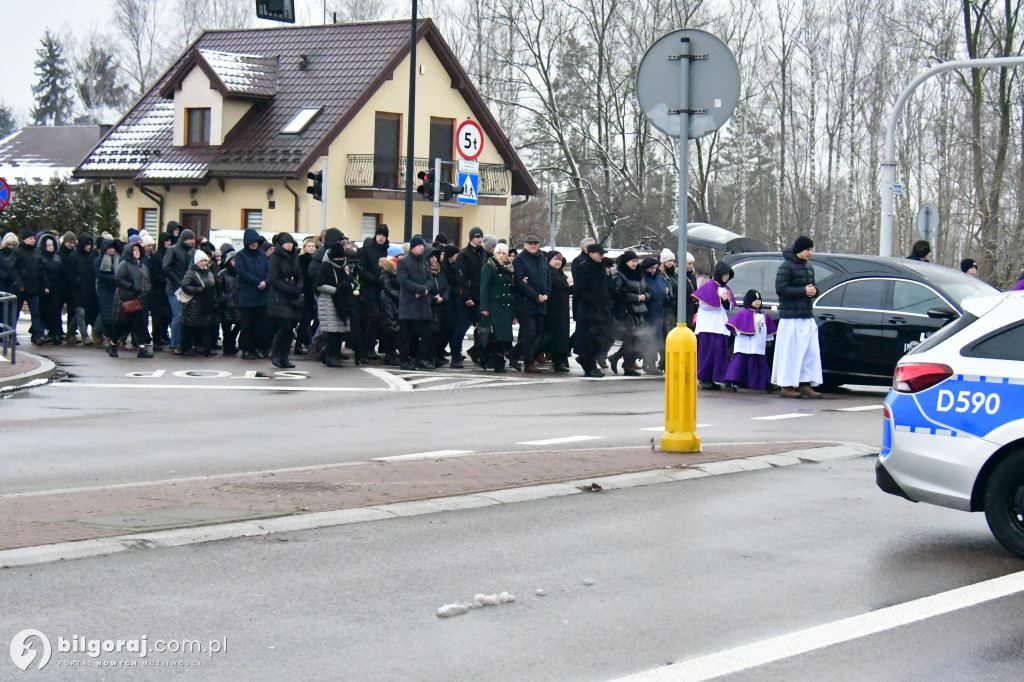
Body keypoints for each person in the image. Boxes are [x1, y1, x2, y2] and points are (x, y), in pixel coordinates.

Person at [772, 235, 823, 398]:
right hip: (791, 317)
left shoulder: (809, 268)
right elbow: (781, 289)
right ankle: (786, 385)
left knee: (810, 352)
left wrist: (814, 291)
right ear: (799, 250)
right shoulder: (785, 267)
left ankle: (804, 383)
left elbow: (812, 287)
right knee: (790, 352)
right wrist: (803, 291)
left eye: (811, 249)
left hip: (806, 315)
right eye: (808, 249)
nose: (810, 253)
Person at [508, 234, 551, 373]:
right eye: (530, 243)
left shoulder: (542, 258)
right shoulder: (520, 259)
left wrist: (546, 294)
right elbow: (519, 282)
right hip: (525, 303)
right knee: (529, 332)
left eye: (536, 243)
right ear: (525, 244)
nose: (533, 245)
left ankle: (513, 354)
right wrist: (535, 296)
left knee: (537, 333)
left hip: (540, 302)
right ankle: (529, 363)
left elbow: (548, 278)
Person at [692, 261, 736, 389]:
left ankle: (716, 377)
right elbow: (704, 304)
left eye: (729, 274)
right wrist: (721, 299)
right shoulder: (708, 287)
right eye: (725, 274)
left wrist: (726, 301)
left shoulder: (726, 289)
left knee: (719, 353)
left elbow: (729, 306)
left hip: (720, 325)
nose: (727, 277)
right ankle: (704, 377)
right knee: (708, 353)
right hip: (708, 326)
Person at [724, 290, 777, 392]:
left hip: (758, 345)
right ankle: (730, 381)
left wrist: (768, 339)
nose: (758, 302)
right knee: (739, 363)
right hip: (745, 345)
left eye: (759, 300)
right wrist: (743, 331)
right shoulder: (743, 314)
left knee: (761, 364)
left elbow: (768, 329)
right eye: (755, 300)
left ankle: (767, 384)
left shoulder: (763, 315)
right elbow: (734, 326)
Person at [317, 239, 359, 367]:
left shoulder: (343, 267)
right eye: (338, 258)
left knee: (340, 330)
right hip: (329, 301)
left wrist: (350, 285)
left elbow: (349, 281)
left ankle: (335, 353)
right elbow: (319, 285)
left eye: (342, 258)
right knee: (332, 332)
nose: (340, 260)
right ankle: (330, 355)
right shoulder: (325, 266)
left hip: (342, 302)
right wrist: (337, 290)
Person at [573, 244, 612, 377]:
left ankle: (587, 360)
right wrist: (593, 300)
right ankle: (589, 366)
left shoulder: (600, 267)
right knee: (589, 340)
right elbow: (579, 290)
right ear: (591, 254)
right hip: (589, 311)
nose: (602, 256)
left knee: (603, 339)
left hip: (601, 310)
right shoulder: (583, 267)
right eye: (600, 254)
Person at [608, 251, 649, 377]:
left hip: (640, 310)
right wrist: (634, 297)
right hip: (626, 311)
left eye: (636, 261)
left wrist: (645, 296)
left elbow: (647, 289)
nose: (635, 264)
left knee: (638, 339)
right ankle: (627, 365)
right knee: (631, 338)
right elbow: (617, 293)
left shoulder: (639, 274)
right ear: (626, 262)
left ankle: (618, 358)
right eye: (632, 261)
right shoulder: (619, 275)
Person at [397, 235, 434, 370]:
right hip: (409, 304)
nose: (422, 248)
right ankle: (405, 360)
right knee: (406, 334)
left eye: (423, 246)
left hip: (423, 303)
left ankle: (421, 358)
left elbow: (430, 279)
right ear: (413, 247)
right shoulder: (404, 262)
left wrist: (425, 290)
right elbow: (404, 281)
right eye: (419, 245)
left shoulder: (424, 262)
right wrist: (420, 290)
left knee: (427, 332)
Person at [267, 232, 304, 369]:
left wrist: (299, 288)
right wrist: (290, 289)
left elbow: (299, 275)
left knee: (291, 325)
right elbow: (274, 279)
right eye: (287, 243)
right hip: (280, 296)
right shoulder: (275, 258)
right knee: (285, 325)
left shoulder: (295, 257)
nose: (289, 245)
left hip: (293, 296)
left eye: (291, 243)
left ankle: (285, 356)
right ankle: (275, 352)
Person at [110, 241, 153, 358]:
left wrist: (147, 289)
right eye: (134, 250)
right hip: (127, 300)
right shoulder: (124, 265)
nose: (137, 252)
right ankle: (113, 344)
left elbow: (147, 280)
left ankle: (142, 349)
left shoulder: (143, 266)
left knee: (140, 325)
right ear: (129, 252)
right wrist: (130, 286)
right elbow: (118, 279)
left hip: (140, 300)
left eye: (138, 250)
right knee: (121, 325)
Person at [451, 227, 486, 368]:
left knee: (482, 329)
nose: (479, 239)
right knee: (461, 328)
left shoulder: (482, 253)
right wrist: (466, 297)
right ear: (471, 238)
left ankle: (478, 353)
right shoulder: (464, 255)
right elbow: (461, 278)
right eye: (477, 237)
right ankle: (455, 355)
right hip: (466, 299)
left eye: (481, 236)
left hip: (480, 297)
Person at [234, 228, 270, 360]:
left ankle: (257, 347)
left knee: (260, 324)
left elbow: (268, 270)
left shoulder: (262, 254)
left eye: (256, 241)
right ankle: (246, 348)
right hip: (247, 296)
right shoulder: (241, 256)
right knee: (247, 324)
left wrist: (266, 282)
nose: (255, 244)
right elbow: (242, 272)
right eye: (252, 242)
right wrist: (257, 282)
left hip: (262, 296)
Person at [479, 241, 515, 372]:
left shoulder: (509, 268)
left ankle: (481, 355)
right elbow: (484, 288)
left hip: (506, 307)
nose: (501, 256)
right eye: (499, 253)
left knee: (503, 337)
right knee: (497, 337)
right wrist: (484, 308)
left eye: (504, 253)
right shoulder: (489, 267)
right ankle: (499, 364)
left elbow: (511, 288)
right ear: (495, 254)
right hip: (494, 306)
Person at [358, 224, 390, 359]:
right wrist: (374, 279)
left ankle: (372, 347)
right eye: (379, 235)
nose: (381, 238)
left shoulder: (387, 251)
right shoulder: (366, 250)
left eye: (383, 235)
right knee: (372, 317)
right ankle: (365, 349)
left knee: (380, 319)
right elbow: (361, 268)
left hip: (383, 290)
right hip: (369, 288)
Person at [179, 250, 219, 357]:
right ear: (197, 262)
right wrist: (200, 290)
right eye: (202, 261)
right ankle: (186, 348)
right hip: (194, 305)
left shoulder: (209, 272)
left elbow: (213, 288)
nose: (205, 263)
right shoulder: (191, 272)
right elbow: (185, 286)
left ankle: (207, 349)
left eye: (206, 260)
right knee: (190, 328)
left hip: (207, 304)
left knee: (206, 328)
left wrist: (215, 301)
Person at [163, 229, 196, 351]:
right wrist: (179, 281)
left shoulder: (192, 252)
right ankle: (175, 343)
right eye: (190, 239)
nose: (193, 241)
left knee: (187, 316)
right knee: (178, 315)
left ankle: (185, 343)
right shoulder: (173, 249)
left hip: (187, 288)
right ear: (184, 239)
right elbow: (166, 267)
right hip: (174, 288)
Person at [9, 231, 45, 344]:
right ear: (24, 239)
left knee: (35, 312)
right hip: (20, 288)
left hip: (34, 288)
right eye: (30, 238)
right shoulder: (17, 252)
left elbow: (41, 270)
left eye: (34, 238)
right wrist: (18, 284)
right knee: (15, 313)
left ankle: (37, 335)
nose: (33, 240)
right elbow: (12, 268)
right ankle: (11, 335)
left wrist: (44, 284)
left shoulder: (36, 252)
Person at [541, 250, 572, 373]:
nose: (558, 262)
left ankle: (560, 359)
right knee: (554, 337)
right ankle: (558, 361)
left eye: (559, 259)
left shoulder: (560, 274)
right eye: (555, 259)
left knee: (562, 336)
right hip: (552, 309)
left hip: (562, 309)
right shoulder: (548, 273)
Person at [67, 234, 99, 345]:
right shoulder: (73, 257)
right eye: (86, 244)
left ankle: (70, 333)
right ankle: (85, 336)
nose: (88, 247)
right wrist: (77, 283)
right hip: (76, 290)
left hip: (88, 290)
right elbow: (69, 274)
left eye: (90, 245)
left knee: (79, 314)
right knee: (80, 312)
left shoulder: (91, 257)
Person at [37, 234, 66, 344]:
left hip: (56, 289)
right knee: (44, 312)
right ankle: (41, 333)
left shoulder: (57, 257)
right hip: (45, 289)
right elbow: (41, 273)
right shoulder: (41, 257)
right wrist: (45, 286)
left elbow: (61, 273)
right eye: (48, 245)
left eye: (52, 245)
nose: (50, 247)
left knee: (55, 312)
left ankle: (56, 333)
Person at [640, 256, 667, 375]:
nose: (653, 270)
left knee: (657, 339)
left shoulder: (658, 276)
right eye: (651, 268)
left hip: (659, 311)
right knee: (649, 339)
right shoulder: (642, 278)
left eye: (655, 268)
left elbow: (661, 290)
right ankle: (649, 363)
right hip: (647, 312)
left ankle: (652, 363)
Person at [378, 245, 403, 365]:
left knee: (395, 327)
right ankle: (389, 354)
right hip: (388, 301)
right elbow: (387, 287)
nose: (402, 257)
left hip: (394, 300)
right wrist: (399, 296)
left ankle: (392, 353)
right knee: (390, 328)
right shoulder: (387, 269)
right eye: (400, 255)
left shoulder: (399, 268)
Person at [425, 247, 450, 367]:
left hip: (441, 308)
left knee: (438, 333)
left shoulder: (441, 273)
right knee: (430, 333)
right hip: (429, 307)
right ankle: (430, 357)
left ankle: (436, 356)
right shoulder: (426, 272)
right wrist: (433, 299)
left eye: (436, 257)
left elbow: (446, 288)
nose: (434, 259)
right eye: (431, 257)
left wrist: (443, 298)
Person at [94, 237, 121, 346]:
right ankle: (102, 332)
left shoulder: (118, 259)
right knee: (106, 313)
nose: (112, 250)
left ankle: (111, 335)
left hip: (116, 289)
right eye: (109, 248)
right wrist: (113, 278)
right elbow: (99, 275)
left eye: (113, 248)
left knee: (115, 313)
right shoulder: (99, 260)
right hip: (104, 289)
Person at [219, 251, 241, 355]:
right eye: (233, 260)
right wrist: (223, 299)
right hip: (226, 305)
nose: (235, 262)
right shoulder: (223, 273)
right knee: (226, 327)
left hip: (238, 304)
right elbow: (218, 289)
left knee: (239, 324)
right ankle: (227, 346)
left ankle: (231, 342)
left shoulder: (241, 273)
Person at [684, 251, 697, 329]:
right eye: (689, 263)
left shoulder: (692, 276)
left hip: (692, 306)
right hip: (685, 306)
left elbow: (695, 289)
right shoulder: (679, 275)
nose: (691, 266)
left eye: (692, 263)